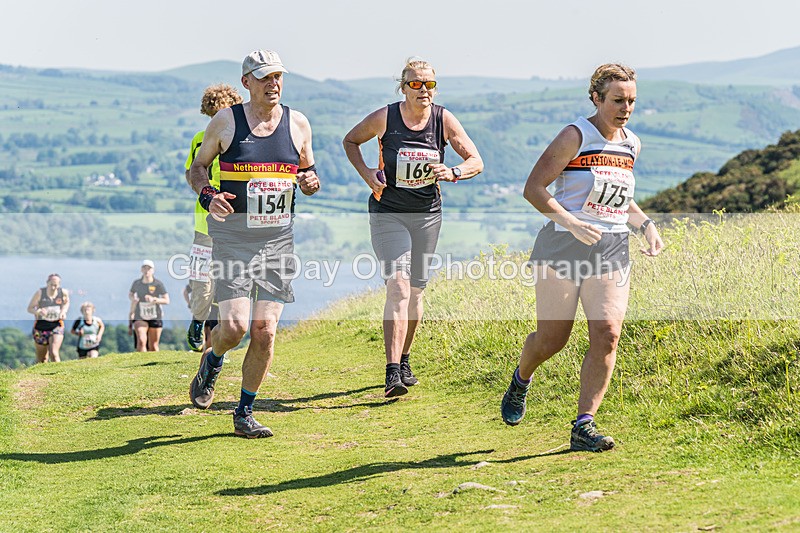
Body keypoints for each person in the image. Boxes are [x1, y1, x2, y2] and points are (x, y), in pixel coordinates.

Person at [499, 64, 664, 452]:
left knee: (608, 332)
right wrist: (572, 224)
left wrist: (645, 225)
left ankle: (583, 426)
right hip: (563, 245)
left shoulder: (631, 144)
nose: (626, 108)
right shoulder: (575, 135)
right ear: (596, 98)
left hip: (610, 248)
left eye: (632, 101)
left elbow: (621, 199)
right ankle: (522, 378)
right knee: (553, 339)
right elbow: (534, 189)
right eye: (618, 100)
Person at [188, 50, 320, 438]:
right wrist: (209, 195)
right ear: (246, 83)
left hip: (278, 241)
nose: (273, 83)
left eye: (278, 76)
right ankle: (213, 360)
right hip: (233, 239)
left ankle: (244, 412)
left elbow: (308, 171)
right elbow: (197, 169)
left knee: (264, 330)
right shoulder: (225, 122)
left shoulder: (297, 123)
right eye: (264, 77)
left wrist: (311, 182)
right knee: (233, 327)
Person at [343, 57, 483, 398]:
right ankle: (392, 372)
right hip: (387, 212)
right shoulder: (385, 117)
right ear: (403, 88)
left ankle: (405, 359)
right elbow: (350, 141)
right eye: (416, 84)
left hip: (427, 214)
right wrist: (367, 174)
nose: (424, 90)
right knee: (399, 286)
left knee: (417, 291)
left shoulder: (443, 119)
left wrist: (454, 173)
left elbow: (476, 160)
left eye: (429, 84)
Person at [184, 84, 244, 352]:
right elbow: (191, 173)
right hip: (206, 221)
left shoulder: (240, 135)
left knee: (228, 277)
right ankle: (198, 320)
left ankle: (220, 332)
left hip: (234, 221)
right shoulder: (200, 138)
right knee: (203, 279)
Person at [26, 273, 70, 363]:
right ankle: (41, 376)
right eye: (51, 285)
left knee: (54, 353)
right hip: (41, 327)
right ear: (47, 283)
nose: (53, 287)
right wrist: (38, 311)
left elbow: (66, 303)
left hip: (57, 325)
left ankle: (60, 374)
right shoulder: (40, 293)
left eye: (56, 285)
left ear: (59, 284)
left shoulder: (63, 293)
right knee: (42, 359)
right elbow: (29, 308)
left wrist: (63, 312)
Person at [129, 260, 170, 352]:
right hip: (140, 315)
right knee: (141, 341)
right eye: (144, 268)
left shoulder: (158, 284)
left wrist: (154, 300)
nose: (147, 270)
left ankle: (153, 365)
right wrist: (133, 299)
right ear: (141, 270)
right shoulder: (137, 283)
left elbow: (167, 300)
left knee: (153, 345)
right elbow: (130, 294)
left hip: (155, 316)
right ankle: (140, 365)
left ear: (153, 270)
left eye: (149, 268)